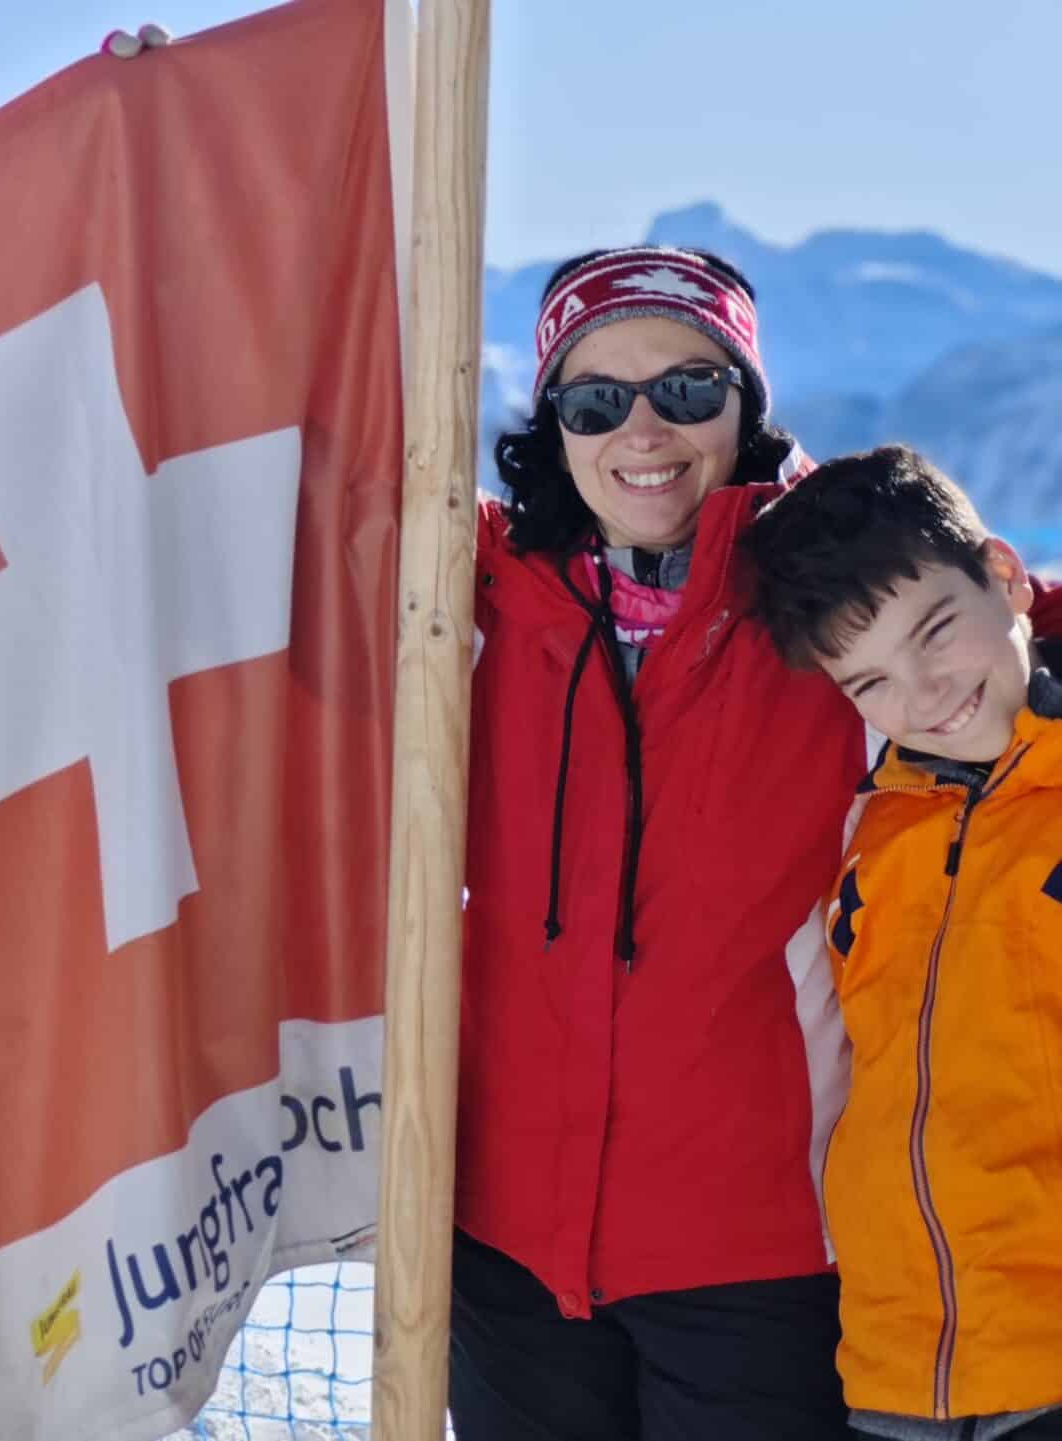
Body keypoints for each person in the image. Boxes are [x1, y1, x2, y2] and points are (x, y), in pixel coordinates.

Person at [451, 244, 1062, 1438]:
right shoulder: (470, 590)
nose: (643, 430)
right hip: (504, 1247)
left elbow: (989, 615)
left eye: (687, 389)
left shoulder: (820, 601)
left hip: (757, 1254)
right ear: (552, 426)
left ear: (745, 406)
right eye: (595, 399)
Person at [742, 445, 1062, 1441]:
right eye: (870, 680)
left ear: (1002, 575)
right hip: (893, 1371)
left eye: (935, 631)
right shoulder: (866, 835)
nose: (923, 693)